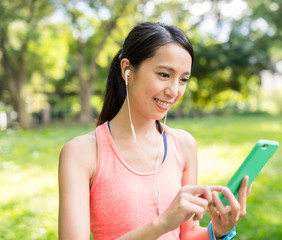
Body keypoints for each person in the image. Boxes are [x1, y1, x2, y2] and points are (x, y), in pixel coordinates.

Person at [58, 22, 252, 240]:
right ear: (127, 70)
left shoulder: (184, 145)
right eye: (164, 75)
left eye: (183, 79)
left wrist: (218, 231)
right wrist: (162, 224)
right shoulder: (81, 153)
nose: (174, 91)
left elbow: (187, 234)